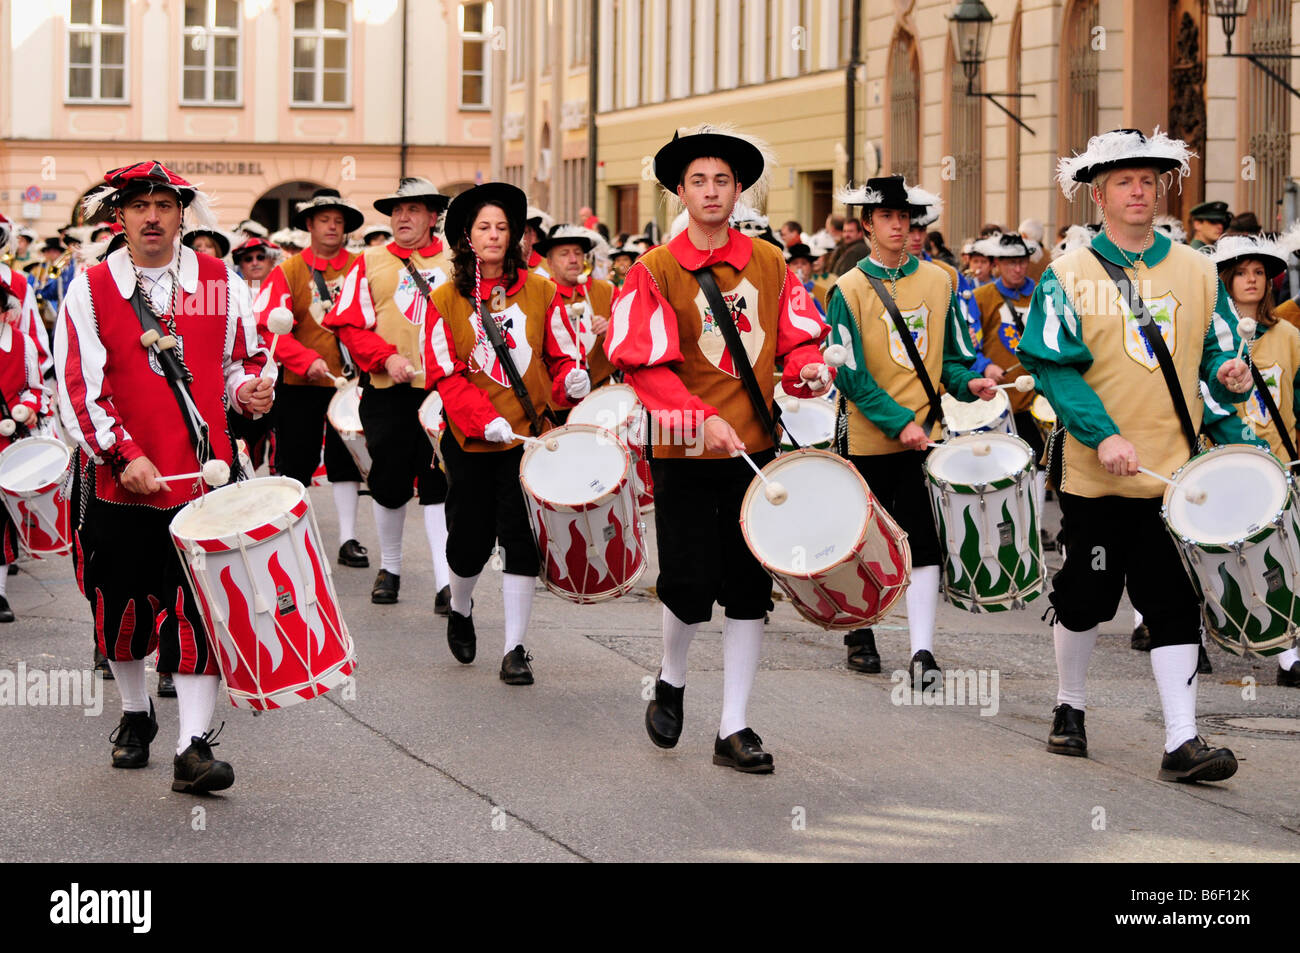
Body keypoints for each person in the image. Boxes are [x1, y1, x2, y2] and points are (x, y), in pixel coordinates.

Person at [1018, 128, 1252, 782]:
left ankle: (1182, 739)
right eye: (1125, 180)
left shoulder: (1198, 269)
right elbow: (1052, 369)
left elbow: (1218, 350)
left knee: (1174, 600)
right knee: (1086, 596)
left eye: (1149, 179)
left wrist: (1232, 371)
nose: (1140, 190)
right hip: (1097, 476)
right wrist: (1102, 435)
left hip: (1173, 477)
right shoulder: (1068, 273)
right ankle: (1070, 705)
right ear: (1099, 193)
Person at [607, 125, 834, 773]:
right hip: (682, 447)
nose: (712, 191)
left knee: (746, 585)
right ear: (680, 190)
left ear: (738, 191)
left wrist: (810, 370)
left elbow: (795, 342)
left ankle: (734, 724)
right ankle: (671, 677)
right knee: (686, 581)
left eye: (724, 181)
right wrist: (697, 418)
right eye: (699, 180)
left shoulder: (769, 263)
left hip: (754, 450)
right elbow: (643, 365)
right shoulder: (654, 270)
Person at [55, 161, 275, 793]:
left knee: (200, 611)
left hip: (208, 481)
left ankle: (193, 745)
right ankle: (134, 712)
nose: (152, 216)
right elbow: (76, 385)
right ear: (117, 217)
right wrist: (124, 455)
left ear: (182, 214)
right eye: (138, 205)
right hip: (122, 482)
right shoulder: (91, 289)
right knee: (121, 611)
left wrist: (249, 392)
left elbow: (241, 360)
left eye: (164, 205)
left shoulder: (219, 281)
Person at [826, 175, 995, 681]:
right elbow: (849, 375)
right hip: (869, 436)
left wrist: (971, 386)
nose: (900, 225)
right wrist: (899, 423)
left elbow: (953, 360)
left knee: (923, 541)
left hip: (926, 437)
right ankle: (862, 631)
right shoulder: (848, 288)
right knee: (865, 540)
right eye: (887, 217)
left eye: (905, 217)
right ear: (867, 225)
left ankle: (922, 652)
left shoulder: (942, 279)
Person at [422, 183, 588, 684]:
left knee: (521, 540)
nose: (494, 236)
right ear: (467, 238)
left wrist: (570, 383)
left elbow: (558, 358)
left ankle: (516, 648)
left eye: (502, 228)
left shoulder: (542, 290)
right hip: (472, 441)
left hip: (529, 443)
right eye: (483, 228)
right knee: (469, 541)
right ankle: (463, 604)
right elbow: (444, 373)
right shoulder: (445, 298)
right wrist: (480, 421)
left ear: (514, 235)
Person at [324, 176, 455, 609]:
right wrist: (386, 359)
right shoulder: (371, 261)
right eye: (397, 211)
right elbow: (348, 323)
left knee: (440, 482)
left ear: (433, 217)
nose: (403, 217)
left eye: (413, 209)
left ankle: (444, 581)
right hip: (388, 390)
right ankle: (392, 567)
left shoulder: (459, 261)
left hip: (443, 391)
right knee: (388, 480)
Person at [253, 187, 369, 566]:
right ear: (309, 224)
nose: (332, 227)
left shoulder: (361, 266)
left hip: (349, 385)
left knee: (346, 461)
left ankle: (349, 539)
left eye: (338, 221)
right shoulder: (288, 271)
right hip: (300, 384)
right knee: (296, 461)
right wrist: (304, 360)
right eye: (324, 220)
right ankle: (294, 538)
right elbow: (268, 328)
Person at [1210, 234, 1300, 687]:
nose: (1251, 281)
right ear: (1225, 280)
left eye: (1259, 273)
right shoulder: (1208, 336)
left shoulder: (1288, 336)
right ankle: (1193, 632)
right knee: (1217, 555)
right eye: (1242, 273)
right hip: (1219, 460)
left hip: (1276, 462)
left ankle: (1287, 651)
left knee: (1281, 557)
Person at [0, 280, 49, 623]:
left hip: (6, 443)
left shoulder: (22, 344)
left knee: (1, 520)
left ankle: (0, 592)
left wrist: (29, 407)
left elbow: (37, 391)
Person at [534, 223, 617, 393]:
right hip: (556, 398)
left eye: (578, 253)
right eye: (564, 254)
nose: (573, 259)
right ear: (549, 262)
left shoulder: (607, 291)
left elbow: (634, 335)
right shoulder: (539, 295)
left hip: (602, 393)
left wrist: (612, 331)